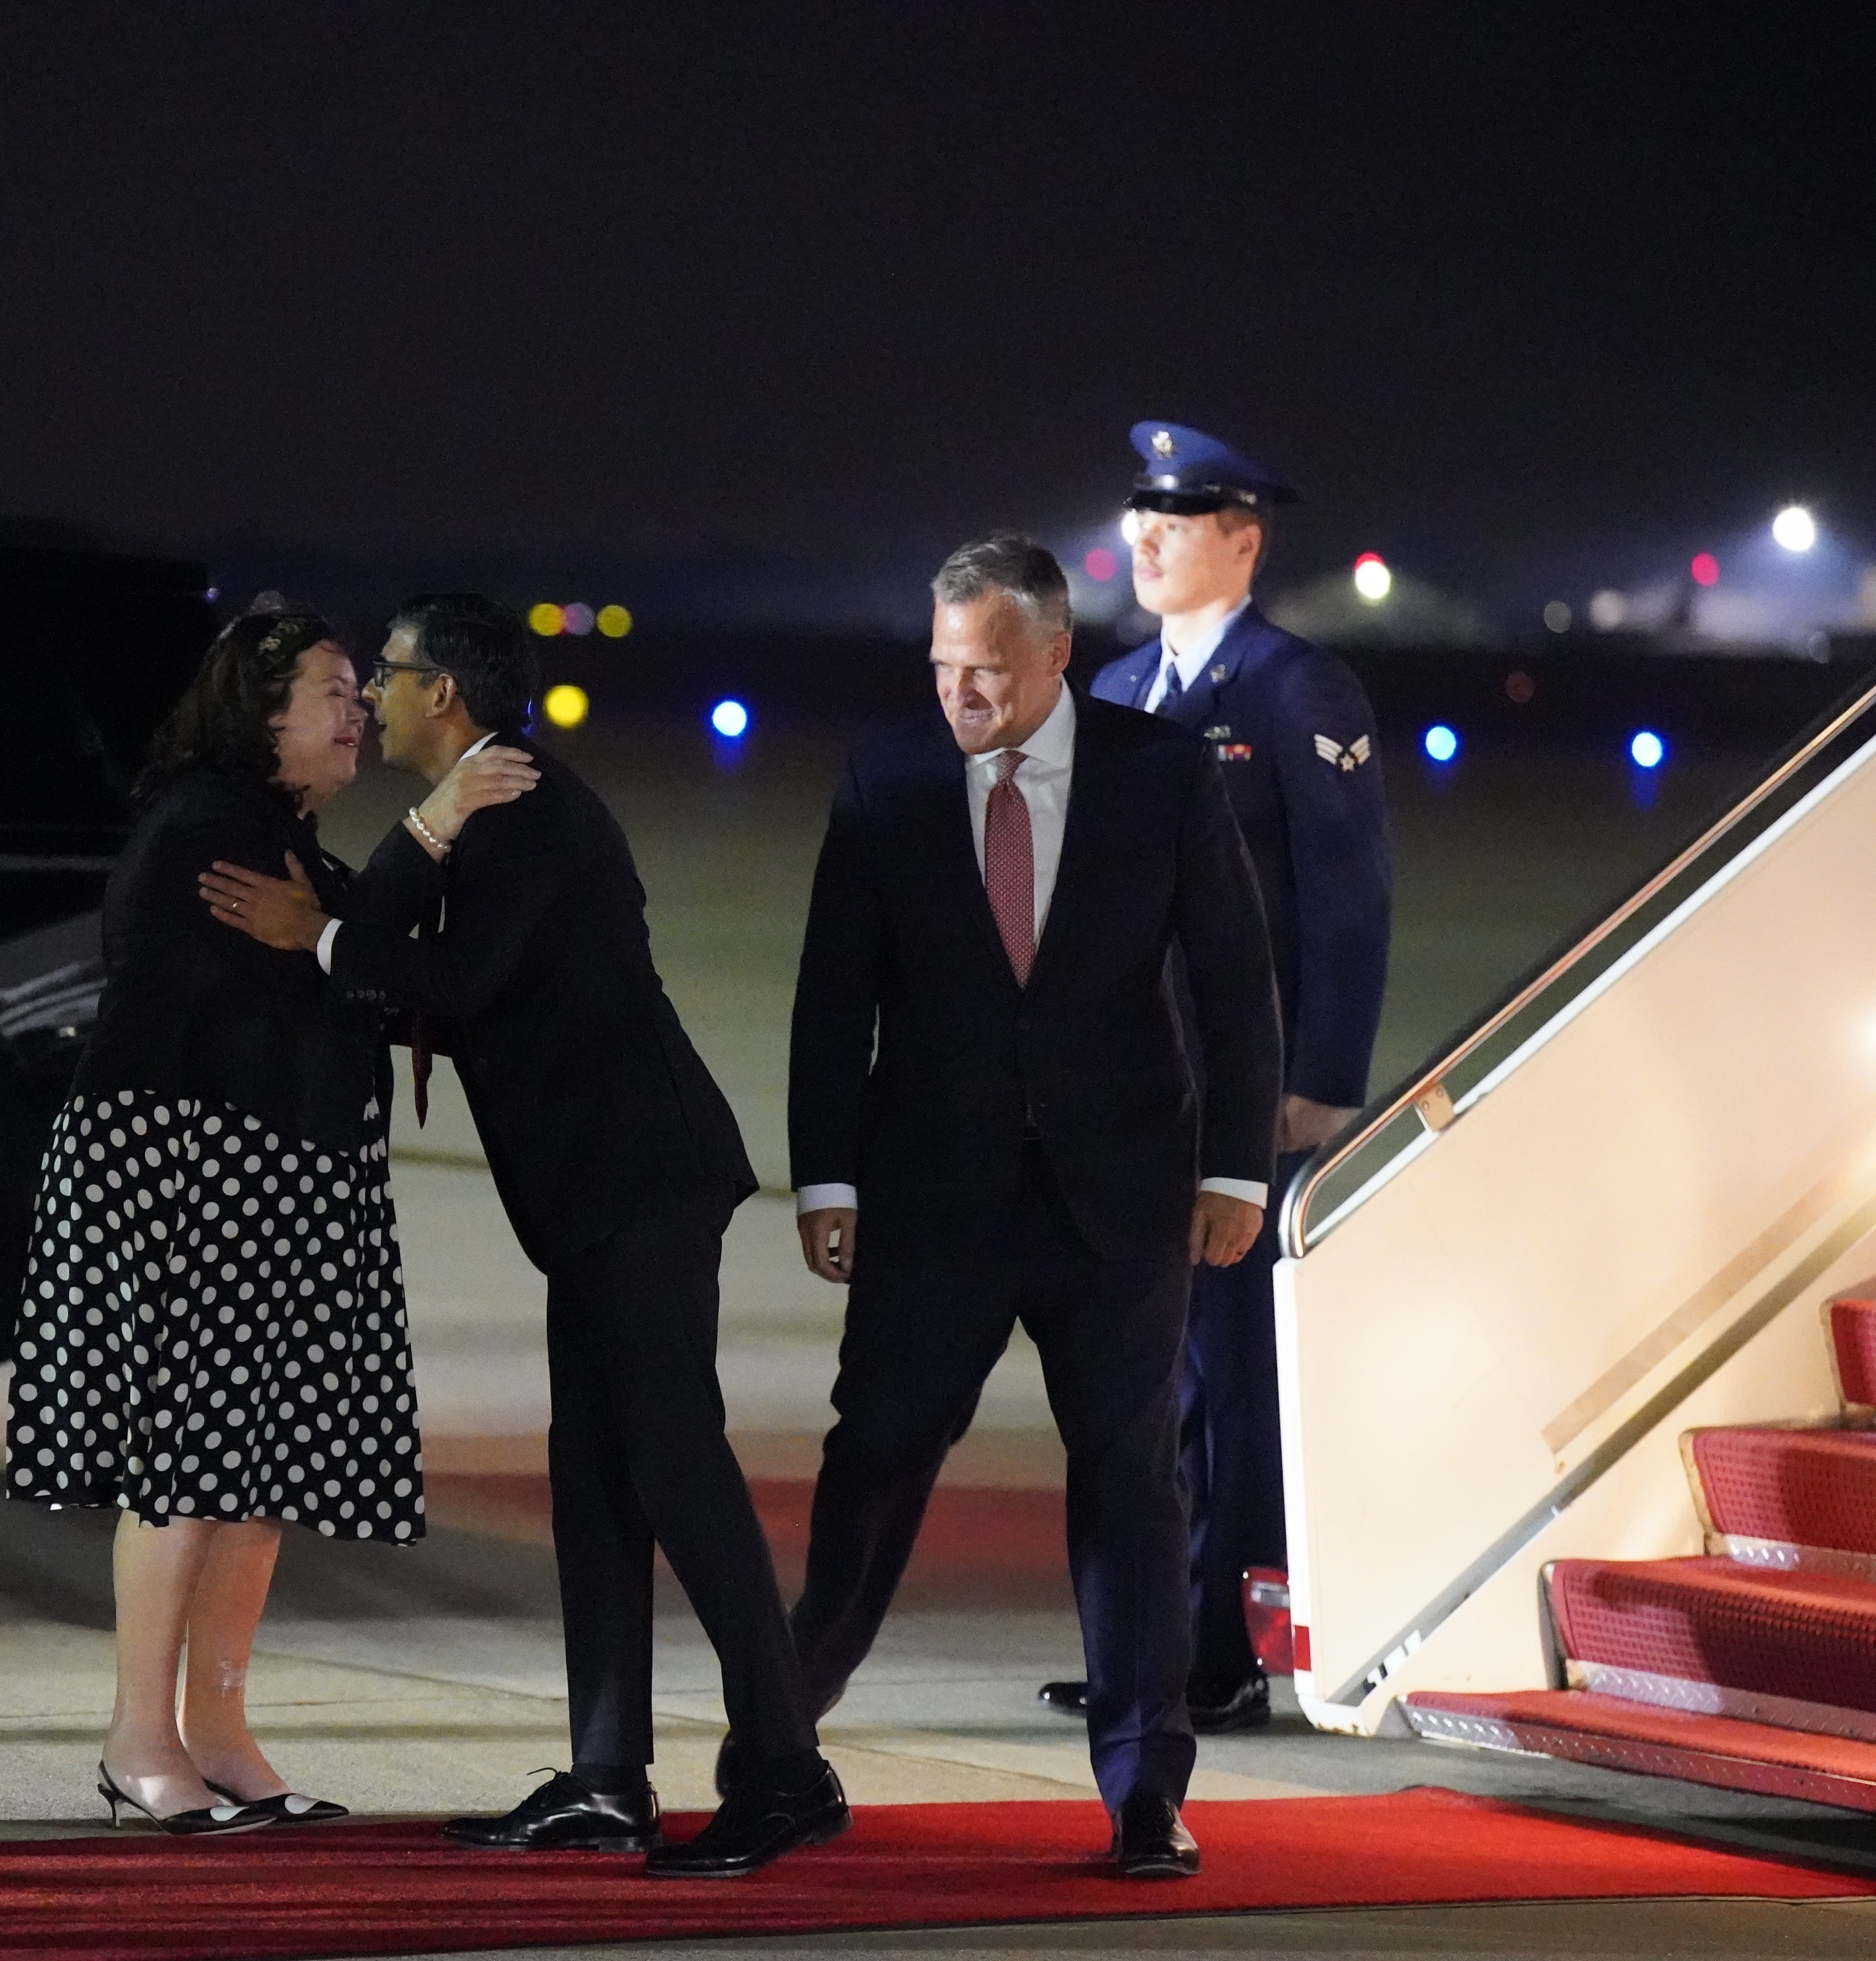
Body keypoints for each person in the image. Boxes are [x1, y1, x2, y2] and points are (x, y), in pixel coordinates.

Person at [203, 593, 846, 1880]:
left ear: (440, 695)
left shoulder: (534, 812)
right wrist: (415, 842)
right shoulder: (478, 810)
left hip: (643, 1183)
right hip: (593, 1199)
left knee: (676, 1472)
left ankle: (786, 1770)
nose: (372, 696)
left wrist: (315, 936)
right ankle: (608, 1776)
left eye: (386, 676)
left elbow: (449, 982)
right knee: (598, 1484)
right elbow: (408, 957)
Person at [784, 534, 1279, 1879]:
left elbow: (1235, 985)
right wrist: (826, 1175)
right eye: (945, 667)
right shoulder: (885, 780)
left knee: (1133, 1491)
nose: (963, 694)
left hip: (1120, 1206)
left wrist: (1235, 1172)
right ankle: (778, 1747)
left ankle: (1142, 1794)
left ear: (1058, 656)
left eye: (989, 669)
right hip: (932, 1203)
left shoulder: (1160, 778)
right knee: (873, 1461)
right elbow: (836, 995)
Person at [9, 602, 534, 1835]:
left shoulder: (276, 830)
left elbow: (356, 953)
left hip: (275, 1175)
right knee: (191, 1459)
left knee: (255, 1471)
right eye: (335, 692)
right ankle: (141, 1737)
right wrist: (436, 821)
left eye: (363, 692)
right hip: (199, 1173)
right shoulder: (210, 832)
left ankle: (222, 1731)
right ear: (261, 713)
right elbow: (329, 959)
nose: (359, 712)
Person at [1049, 424, 1391, 1732]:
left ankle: (1220, 1651)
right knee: (1127, 1370)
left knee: (1225, 1376)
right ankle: (1143, 1637)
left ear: (1243, 541)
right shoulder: (1122, 691)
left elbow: (1350, 895)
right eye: (1139, 515)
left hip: (1242, 1093)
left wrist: (1325, 1078)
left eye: (1176, 520)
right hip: (1126, 1095)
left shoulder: (1296, 690)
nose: (1145, 539)